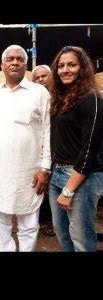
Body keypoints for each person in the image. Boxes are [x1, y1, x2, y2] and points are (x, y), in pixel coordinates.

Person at [0, 45, 51, 252]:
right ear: (2, 65)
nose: (14, 62)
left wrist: (45, 168)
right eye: (10, 59)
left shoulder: (40, 92)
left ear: (25, 65)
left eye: (19, 59)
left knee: (28, 224)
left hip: (28, 172)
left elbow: (48, 131)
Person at [48, 45, 103, 252]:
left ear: (83, 68)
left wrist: (69, 189)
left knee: (82, 238)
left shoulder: (91, 99)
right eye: (61, 66)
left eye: (72, 64)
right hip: (57, 174)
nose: (65, 70)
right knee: (61, 231)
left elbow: (89, 149)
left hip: (81, 177)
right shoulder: (61, 99)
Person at [31, 65, 55, 237]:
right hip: (41, 150)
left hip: (62, 149)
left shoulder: (60, 95)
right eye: (36, 77)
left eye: (43, 76)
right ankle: (44, 222)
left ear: (51, 76)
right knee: (43, 188)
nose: (40, 80)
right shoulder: (34, 97)